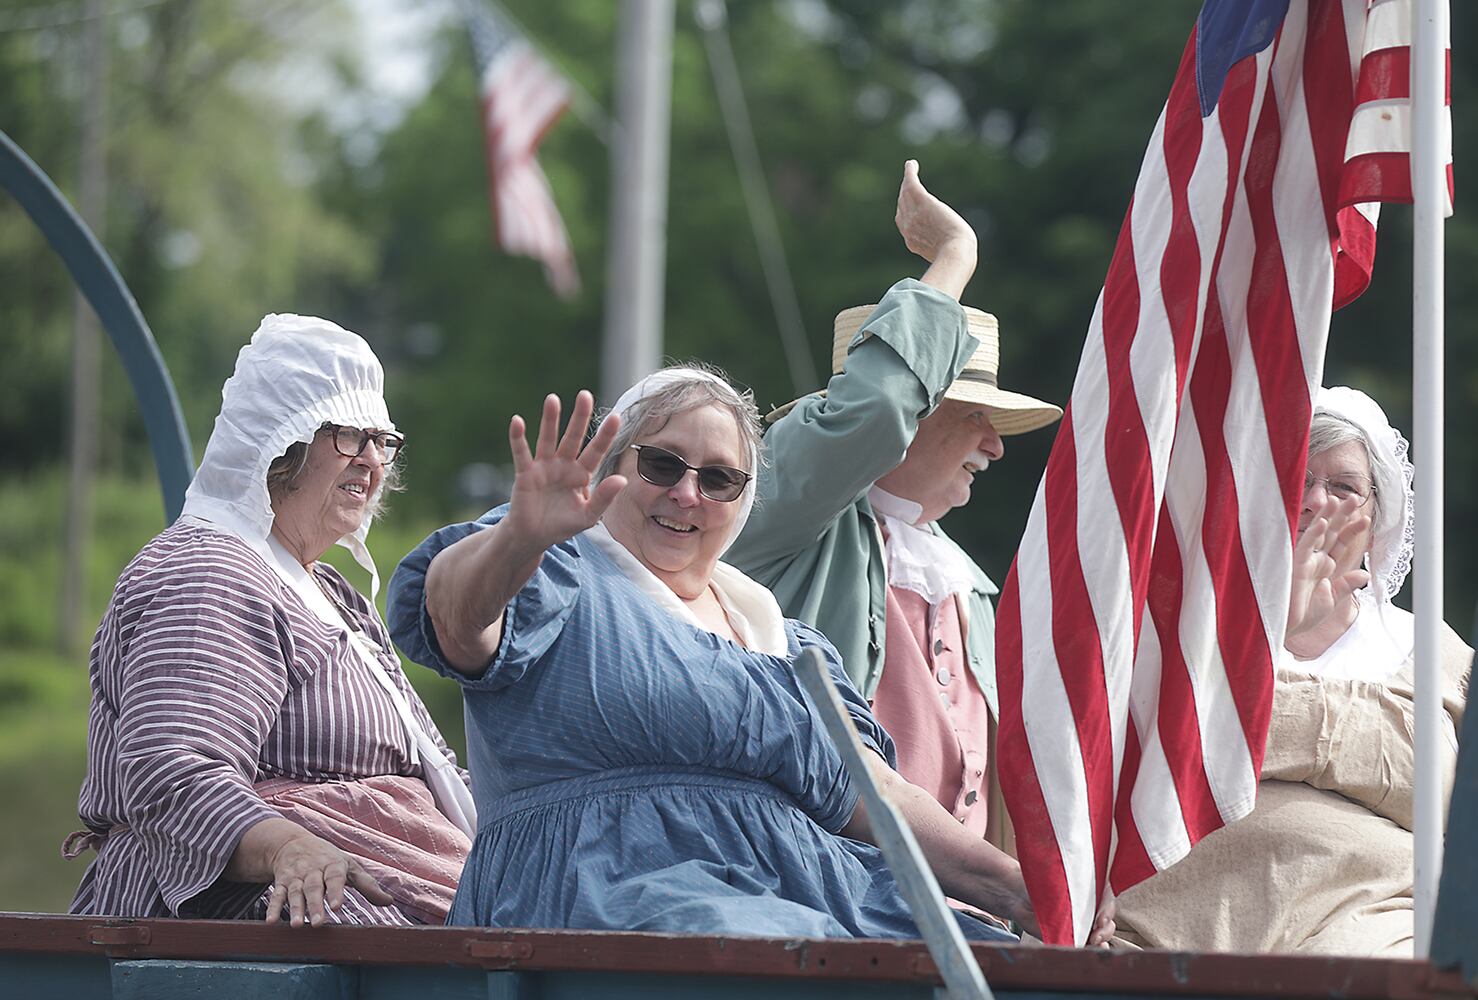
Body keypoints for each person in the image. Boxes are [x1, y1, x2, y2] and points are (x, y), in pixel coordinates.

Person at [387, 371, 1113, 942]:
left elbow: (882, 799)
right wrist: (520, 537)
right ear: (614, 466)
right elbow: (458, 622)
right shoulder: (557, 568)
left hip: (814, 894)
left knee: (1003, 966)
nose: (687, 493)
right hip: (615, 894)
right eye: (662, 464)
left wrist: (1030, 891)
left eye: (719, 478)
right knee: (778, 951)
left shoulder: (785, 642)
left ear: (744, 496)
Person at [66, 315, 474, 928]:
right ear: (281, 442)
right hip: (240, 925)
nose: (370, 459)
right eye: (346, 434)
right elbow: (172, 771)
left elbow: (432, 766)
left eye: (381, 440)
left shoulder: (329, 591)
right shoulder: (208, 572)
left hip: (387, 894)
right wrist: (286, 845)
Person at [725, 160, 1061, 851]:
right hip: (822, 898)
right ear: (919, 407)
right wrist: (954, 254)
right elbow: (875, 406)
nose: (995, 447)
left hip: (954, 917)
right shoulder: (786, 511)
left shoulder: (967, 583)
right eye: (973, 415)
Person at [1113, 386, 1472, 956]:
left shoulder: (1432, 652)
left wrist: (1266, 727)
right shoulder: (1177, 627)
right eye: (1295, 480)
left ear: (1380, 515)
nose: (1316, 503)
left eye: (1344, 487)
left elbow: (1454, 796)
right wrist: (1270, 637)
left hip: (1373, 921)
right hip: (1170, 929)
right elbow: (1150, 754)